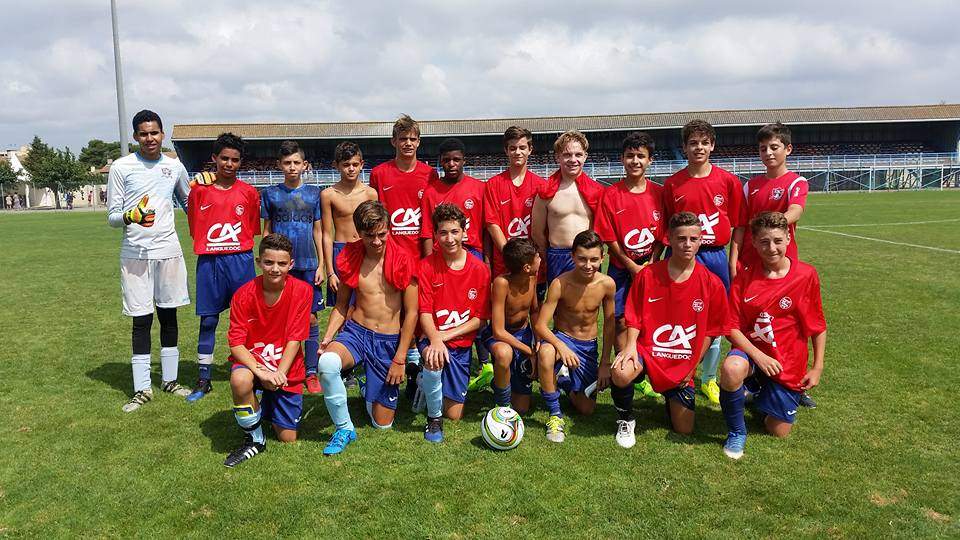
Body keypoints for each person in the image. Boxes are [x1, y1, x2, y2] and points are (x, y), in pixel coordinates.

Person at [610, 212, 730, 448]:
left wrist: (692, 366)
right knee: (622, 371)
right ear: (669, 239)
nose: (687, 244)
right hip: (648, 352)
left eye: (693, 239)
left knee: (684, 429)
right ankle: (625, 419)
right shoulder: (648, 275)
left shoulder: (711, 283)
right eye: (681, 238)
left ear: (701, 240)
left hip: (682, 360)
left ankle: (670, 394)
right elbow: (633, 316)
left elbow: (712, 331)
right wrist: (631, 346)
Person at [719, 211, 827, 459]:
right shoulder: (744, 277)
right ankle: (737, 431)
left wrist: (817, 367)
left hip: (787, 361)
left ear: (789, 238)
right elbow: (731, 327)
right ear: (754, 242)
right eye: (764, 241)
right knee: (732, 368)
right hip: (753, 354)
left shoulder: (806, 275)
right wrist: (758, 356)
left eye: (778, 240)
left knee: (777, 430)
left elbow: (818, 325)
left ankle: (758, 392)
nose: (772, 248)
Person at [106, 109, 192, 412]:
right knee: (141, 320)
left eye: (154, 132)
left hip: (168, 251)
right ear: (135, 137)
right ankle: (142, 388)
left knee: (169, 317)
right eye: (143, 133)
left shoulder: (174, 166)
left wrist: (207, 186)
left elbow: (189, 202)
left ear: (162, 133)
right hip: (135, 255)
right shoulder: (121, 167)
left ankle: (170, 380)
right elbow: (113, 217)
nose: (150, 138)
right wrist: (132, 216)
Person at [316, 201, 418, 455]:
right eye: (369, 236)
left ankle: (367, 387)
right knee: (328, 363)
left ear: (389, 230)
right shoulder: (351, 255)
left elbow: (412, 313)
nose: (376, 241)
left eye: (382, 234)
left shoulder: (404, 258)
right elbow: (341, 306)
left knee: (382, 423)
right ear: (359, 233)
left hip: (388, 340)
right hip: (356, 333)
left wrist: (400, 357)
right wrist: (328, 337)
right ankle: (344, 428)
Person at [731, 123, 817, 408]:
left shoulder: (796, 182)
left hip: (783, 268)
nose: (768, 153)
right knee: (748, 323)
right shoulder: (750, 185)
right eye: (763, 148)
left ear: (787, 149)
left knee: (792, 322)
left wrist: (774, 224)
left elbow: (796, 210)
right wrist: (734, 259)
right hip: (751, 268)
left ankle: (796, 382)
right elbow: (741, 226)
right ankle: (752, 377)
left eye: (774, 147)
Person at [661, 119, 744, 405]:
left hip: (714, 256)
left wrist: (732, 261)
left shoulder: (728, 181)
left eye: (704, 142)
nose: (699, 147)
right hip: (681, 257)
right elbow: (667, 228)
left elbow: (740, 225)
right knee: (679, 316)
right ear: (684, 147)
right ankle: (679, 373)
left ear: (712, 145)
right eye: (693, 142)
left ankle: (708, 378)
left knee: (715, 319)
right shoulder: (673, 184)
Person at [223, 233, 312, 467]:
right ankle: (254, 439)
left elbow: (295, 339)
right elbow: (236, 344)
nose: (275, 269)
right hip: (256, 363)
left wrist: (279, 374)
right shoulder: (243, 295)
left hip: (285, 366)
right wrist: (262, 373)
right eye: (269, 262)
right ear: (258, 262)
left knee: (288, 439)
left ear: (291, 264)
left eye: (282, 264)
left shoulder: (302, 291)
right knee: (240, 379)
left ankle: (265, 404)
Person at [185, 133, 261, 402]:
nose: (229, 164)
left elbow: (252, 227)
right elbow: (195, 226)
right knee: (209, 320)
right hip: (210, 262)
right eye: (224, 158)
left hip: (240, 260)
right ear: (214, 159)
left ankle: (253, 372)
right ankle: (204, 378)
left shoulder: (249, 193)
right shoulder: (199, 190)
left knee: (249, 320)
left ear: (241, 163)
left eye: (235, 160)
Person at [595, 131, 665, 399]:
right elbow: (608, 237)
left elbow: (663, 235)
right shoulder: (611, 195)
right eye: (630, 156)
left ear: (650, 160)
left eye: (640, 156)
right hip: (621, 269)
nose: (635, 161)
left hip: (652, 267)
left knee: (650, 320)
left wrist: (651, 263)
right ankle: (625, 368)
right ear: (622, 159)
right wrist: (631, 265)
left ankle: (644, 370)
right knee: (620, 320)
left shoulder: (659, 193)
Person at [478, 126, 546, 391]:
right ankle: (501, 372)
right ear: (505, 151)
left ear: (530, 149)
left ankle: (530, 368)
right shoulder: (494, 185)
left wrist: (529, 260)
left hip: (533, 267)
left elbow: (543, 228)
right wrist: (513, 257)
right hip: (504, 265)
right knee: (502, 320)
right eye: (512, 148)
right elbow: (493, 223)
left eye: (522, 147)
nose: (517, 152)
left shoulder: (540, 185)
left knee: (529, 313)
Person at [417, 204, 491, 442]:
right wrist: (435, 339)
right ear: (435, 234)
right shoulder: (426, 266)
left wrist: (443, 337)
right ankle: (433, 419)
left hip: (458, 344)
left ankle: (421, 383)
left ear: (464, 232)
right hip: (431, 337)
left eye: (454, 232)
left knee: (455, 414)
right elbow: (424, 313)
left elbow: (479, 320)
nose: (449, 239)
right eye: (443, 233)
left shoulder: (480, 269)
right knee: (433, 356)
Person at [368, 114, 434, 377]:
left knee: (417, 307)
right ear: (393, 141)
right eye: (403, 138)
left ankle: (416, 357)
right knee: (389, 307)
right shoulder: (379, 174)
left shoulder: (429, 174)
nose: (408, 143)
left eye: (413, 139)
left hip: (418, 253)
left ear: (419, 142)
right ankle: (385, 355)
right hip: (389, 253)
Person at [534, 230, 615, 443]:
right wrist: (561, 346)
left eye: (594, 260)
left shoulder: (607, 284)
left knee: (586, 409)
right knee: (546, 352)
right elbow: (541, 326)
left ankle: (564, 380)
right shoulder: (560, 283)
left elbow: (609, 326)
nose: (588, 265)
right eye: (582, 259)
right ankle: (555, 415)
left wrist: (605, 362)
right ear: (572, 257)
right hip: (563, 338)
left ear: (602, 258)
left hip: (588, 346)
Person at [260, 140, 325, 393]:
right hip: (279, 265)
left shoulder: (313, 194)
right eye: (287, 163)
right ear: (279, 165)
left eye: (296, 162)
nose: (292, 167)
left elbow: (319, 230)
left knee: (309, 317)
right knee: (280, 315)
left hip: (308, 264)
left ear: (304, 165)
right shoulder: (270, 194)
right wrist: (266, 264)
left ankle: (310, 370)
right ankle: (280, 366)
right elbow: (266, 231)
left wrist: (321, 264)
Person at [531, 130, 604, 289]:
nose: (573, 159)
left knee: (588, 306)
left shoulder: (597, 192)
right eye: (567, 155)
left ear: (585, 156)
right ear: (558, 157)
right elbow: (537, 232)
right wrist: (548, 255)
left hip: (587, 256)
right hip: (557, 255)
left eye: (578, 154)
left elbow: (600, 229)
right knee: (560, 307)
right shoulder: (545, 191)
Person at [481, 237, 540, 413]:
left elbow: (535, 311)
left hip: (523, 333)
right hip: (499, 335)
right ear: (526, 267)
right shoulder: (501, 283)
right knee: (504, 353)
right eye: (537, 256)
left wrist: (538, 341)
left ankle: (498, 381)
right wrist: (528, 351)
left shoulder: (533, 278)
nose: (540, 259)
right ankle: (502, 405)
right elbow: (498, 331)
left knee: (521, 408)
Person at [320, 141, 377, 311]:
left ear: (361, 165)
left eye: (354, 164)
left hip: (365, 250)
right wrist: (330, 271)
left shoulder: (370, 193)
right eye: (346, 165)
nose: (351, 169)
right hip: (341, 251)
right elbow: (326, 234)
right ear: (336, 166)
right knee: (341, 305)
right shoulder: (328, 195)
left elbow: (377, 229)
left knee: (366, 304)